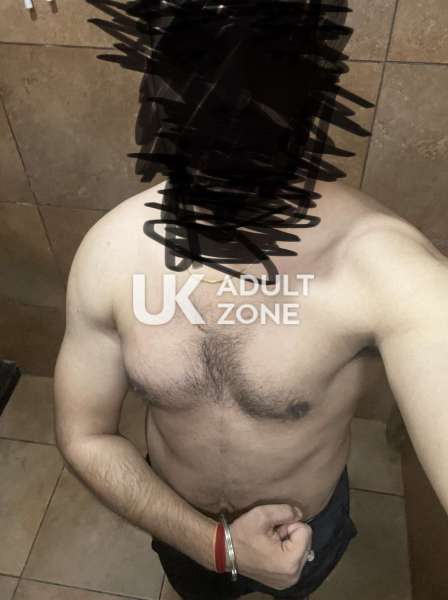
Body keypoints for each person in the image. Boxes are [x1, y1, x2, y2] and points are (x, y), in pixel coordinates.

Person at [54, 176, 448, 600]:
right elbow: (86, 436)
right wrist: (215, 547)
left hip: (305, 527)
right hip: (181, 523)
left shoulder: (387, 263)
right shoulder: (113, 249)